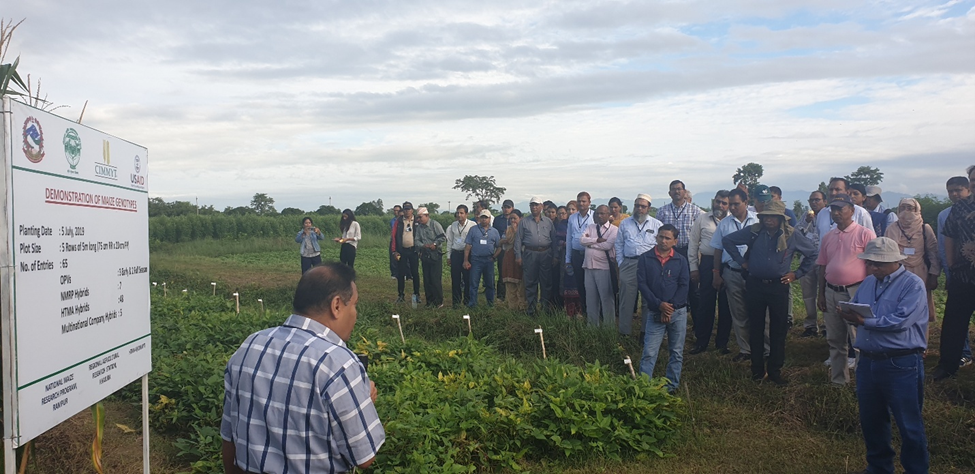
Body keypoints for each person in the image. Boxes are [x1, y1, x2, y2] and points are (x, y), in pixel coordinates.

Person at [221, 263, 384, 474]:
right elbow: (365, 456)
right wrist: (362, 402)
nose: (355, 313)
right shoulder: (338, 363)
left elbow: (229, 437)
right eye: (353, 305)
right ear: (336, 305)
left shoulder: (251, 345)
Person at [838, 237, 929, 474]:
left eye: (879, 263)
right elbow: (856, 305)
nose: (874, 267)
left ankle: (916, 470)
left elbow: (901, 321)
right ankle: (879, 467)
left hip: (901, 362)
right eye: (870, 262)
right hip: (868, 361)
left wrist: (864, 321)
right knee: (872, 420)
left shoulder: (913, 285)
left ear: (895, 262)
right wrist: (847, 311)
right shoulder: (868, 283)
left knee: (909, 423)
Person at [723, 200, 818, 385]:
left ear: (781, 218)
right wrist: (742, 262)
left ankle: (775, 370)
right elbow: (728, 241)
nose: (768, 220)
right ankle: (757, 371)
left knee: (778, 329)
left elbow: (813, 253)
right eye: (766, 216)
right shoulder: (754, 231)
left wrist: (796, 274)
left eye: (773, 216)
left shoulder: (792, 235)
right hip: (755, 285)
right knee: (756, 328)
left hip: (778, 286)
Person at [817, 194, 876, 385]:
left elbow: (873, 266)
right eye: (833, 209)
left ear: (852, 210)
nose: (836, 213)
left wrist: (868, 294)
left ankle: (863, 382)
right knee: (835, 340)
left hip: (855, 291)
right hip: (831, 291)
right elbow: (822, 266)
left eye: (840, 209)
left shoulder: (864, 234)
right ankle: (839, 381)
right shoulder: (828, 237)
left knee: (858, 340)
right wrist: (821, 293)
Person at [711, 188, 767, 362]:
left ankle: (765, 349)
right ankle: (745, 349)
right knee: (738, 312)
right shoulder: (724, 224)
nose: (733, 207)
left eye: (736, 204)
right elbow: (718, 250)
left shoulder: (758, 221)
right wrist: (716, 274)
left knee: (759, 312)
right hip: (732, 272)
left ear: (746, 202)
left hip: (755, 275)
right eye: (731, 204)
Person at [933, 165, 975, 381]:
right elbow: (949, 236)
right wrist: (951, 265)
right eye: (973, 179)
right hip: (964, 277)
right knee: (953, 324)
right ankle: (947, 366)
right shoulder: (960, 208)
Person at [637, 224, 690, 392]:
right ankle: (644, 387)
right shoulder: (645, 258)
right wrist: (659, 305)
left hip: (678, 312)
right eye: (661, 237)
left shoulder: (680, 260)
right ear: (656, 237)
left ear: (675, 241)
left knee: (676, 352)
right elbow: (643, 285)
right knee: (649, 352)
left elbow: (684, 285)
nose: (663, 241)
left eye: (668, 238)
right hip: (654, 311)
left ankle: (671, 387)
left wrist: (670, 308)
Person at [884, 198, 939, 332]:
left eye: (910, 208)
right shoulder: (892, 228)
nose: (906, 212)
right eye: (903, 208)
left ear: (917, 210)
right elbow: (887, 253)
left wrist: (934, 275)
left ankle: (921, 345)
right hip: (897, 273)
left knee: (921, 308)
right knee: (898, 307)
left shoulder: (925, 228)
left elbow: (933, 253)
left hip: (920, 271)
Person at [688, 191, 732, 354]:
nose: (720, 205)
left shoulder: (731, 221)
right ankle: (701, 341)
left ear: (728, 205)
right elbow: (693, 243)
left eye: (724, 203)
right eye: (718, 202)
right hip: (706, 263)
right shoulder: (702, 219)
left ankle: (722, 343)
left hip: (726, 264)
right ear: (713, 201)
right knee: (706, 304)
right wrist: (693, 268)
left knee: (725, 304)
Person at [656, 180, 703, 330]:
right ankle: (667, 321)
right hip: (669, 253)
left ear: (684, 192)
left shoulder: (695, 211)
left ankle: (697, 325)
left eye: (679, 189)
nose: (676, 192)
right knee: (668, 286)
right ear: (669, 193)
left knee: (692, 289)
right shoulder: (662, 212)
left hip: (688, 251)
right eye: (673, 189)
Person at [616, 194, 662, 336]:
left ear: (649, 208)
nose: (639, 209)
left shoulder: (657, 224)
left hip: (650, 266)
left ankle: (646, 332)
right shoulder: (625, 223)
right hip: (629, 263)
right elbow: (618, 244)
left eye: (643, 206)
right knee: (626, 300)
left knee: (649, 300)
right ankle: (624, 333)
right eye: (637, 206)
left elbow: (661, 246)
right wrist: (621, 263)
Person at [515, 196, 558, 316]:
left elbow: (554, 239)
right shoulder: (524, 222)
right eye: (532, 205)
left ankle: (545, 309)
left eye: (536, 205)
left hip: (546, 254)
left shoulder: (548, 221)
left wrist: (555, 255)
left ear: (542, 206)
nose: (534, 207)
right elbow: (518, 240)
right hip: (530, 254)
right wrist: (518, 256)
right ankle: (531, 310)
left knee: (546, 283)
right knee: (530, 282)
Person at [581, 205, 619, 327]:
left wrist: (590, 244)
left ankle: (609, 327)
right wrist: (597, 240)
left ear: (608, 215)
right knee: (591, 298)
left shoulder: (614, 229)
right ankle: (592, 326)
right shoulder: (591, 227)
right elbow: (581, 240)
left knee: (606, 298)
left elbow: (608, 246)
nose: (599, 216)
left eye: (602, 213)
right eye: (597, 213)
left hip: (603, 268)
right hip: (588, 266)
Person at [798, 191, 827, 337]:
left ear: (825, 201)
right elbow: (796, 233)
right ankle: (810, 325)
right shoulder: (806, 216)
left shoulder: (829, 215)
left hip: (825, 259)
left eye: (817, 200)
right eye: (812, 200)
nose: (814, 203)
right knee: (808, 294)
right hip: (807, 258)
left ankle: (827, 325)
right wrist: (807, 221)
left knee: (826, 294)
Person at [817, 177, 874, 242]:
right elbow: (819, 237)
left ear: (847, 192)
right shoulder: (822, 213)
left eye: (837, 189)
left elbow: (871, 241)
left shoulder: (860, 212)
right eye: (831, 189)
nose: (833, 193)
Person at [464, 210, 501, 308]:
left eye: (486, 217)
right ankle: (472, 304)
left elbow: (499, 246)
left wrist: (494, 256)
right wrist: (466, 260)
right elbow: (468, 245)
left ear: (489, 219)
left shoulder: (494, 231)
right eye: (482, 217)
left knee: (490, 283)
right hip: (476, 260)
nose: (484, 219)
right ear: (479, 218)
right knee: (474, 283)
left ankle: (490, 304)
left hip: (489, 260)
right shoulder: (473, 230)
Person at [566, 192, 594, 310]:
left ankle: (593, 310)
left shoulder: (594, 216)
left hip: (590, 254)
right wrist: (568, 259)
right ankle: (583, 310)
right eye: (579, 201)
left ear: (589, 203)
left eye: (584, 201)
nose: (581, 203)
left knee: (591, 284)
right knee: (580, 284)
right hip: (576, 255)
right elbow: (569, 238)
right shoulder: (572, 217)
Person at [415, 207, 446, 308]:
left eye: (420, 217)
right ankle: (429, 301)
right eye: (418, 217)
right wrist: (423, 246)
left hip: (435, 254)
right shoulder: (419, 227)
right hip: (425, 254)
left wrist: (435, 244)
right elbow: (417, 241)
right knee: (427, 279)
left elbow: (443, 237)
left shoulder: (435, 224)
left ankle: (438, 302)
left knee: (435, 279)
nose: (419, 219)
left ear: (427, 216)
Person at [391, 202, 421, 305]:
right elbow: (394, 236)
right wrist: (394, 251)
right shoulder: (399, 221)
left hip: (414, 250)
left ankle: (417, 294)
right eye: (405, 209)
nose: (407, 211)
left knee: (415, 273)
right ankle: (401, 295)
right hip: (402, 250)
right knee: (401, 273)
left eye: (408, 209)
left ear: (412, 210)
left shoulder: (417, 220)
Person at [446, 204, 475, 308]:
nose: (459, 215)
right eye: (458, 213)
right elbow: (449, 241)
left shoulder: (472, 225)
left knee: (468, 279)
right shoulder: (452, 226)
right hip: (456, 254)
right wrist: (448, 256)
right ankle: (456, 302)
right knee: (456, 279)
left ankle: (467, 301)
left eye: (462, 213)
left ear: (466, 214)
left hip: (467, 255)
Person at [557, 205, 583, 317]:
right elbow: (557, 239)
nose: (571, 211)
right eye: (569, 210)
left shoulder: (585, 222)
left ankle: (581, 311)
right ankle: (569, 311)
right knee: (568, 283)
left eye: (573, 209)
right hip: (566, 256)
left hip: (581, 256)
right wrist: (564, 244)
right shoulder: (563, 224)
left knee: (580, 283)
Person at [500, 210, 526, 311]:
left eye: (515, 218)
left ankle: (522, 307)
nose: (512, 220)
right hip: (508, 258)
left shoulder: (524, 229)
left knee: (521, 285)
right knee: (510, 283)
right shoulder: (507, 230)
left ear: (520, 219)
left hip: (520, 258)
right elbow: (500, 243)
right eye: (511, 218)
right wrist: (505, 240)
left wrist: (516, 232)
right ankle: (512, 308)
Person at [493, 199, 513, 301]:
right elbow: (494, 233)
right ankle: (500, 296)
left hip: (512, 248)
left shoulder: (515, 219)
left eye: (508, 207)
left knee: (513, 272)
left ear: (512, 208)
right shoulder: (497, 219)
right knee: (502, 271)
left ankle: (511, 295)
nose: (506, 209)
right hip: (501, 248)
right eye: (504, 207)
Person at [389, 205, 402, 279]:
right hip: (393, 240)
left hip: (401, 241)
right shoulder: (392, 220)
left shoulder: (403, 220)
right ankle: (394, 274)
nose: (395, 212)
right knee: (393, 256)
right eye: (394, 210)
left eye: (397, 210)